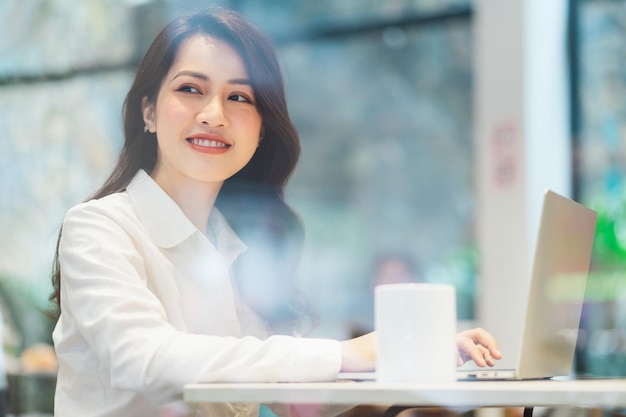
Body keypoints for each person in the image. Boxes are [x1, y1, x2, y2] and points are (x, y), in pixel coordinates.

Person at [48, 6, 502, 417]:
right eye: (191, 89)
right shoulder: (99, 227)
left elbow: (290, 394)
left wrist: (415, 350)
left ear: (262, 130)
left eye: (239, 97)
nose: (213, 114)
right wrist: (353, 354)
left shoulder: (232, 247)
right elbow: (146, 360)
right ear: (148, 111)